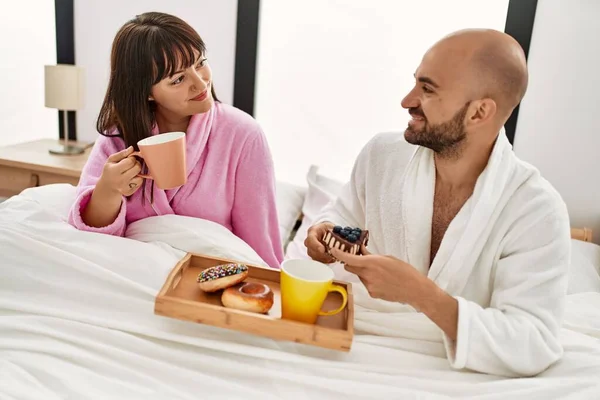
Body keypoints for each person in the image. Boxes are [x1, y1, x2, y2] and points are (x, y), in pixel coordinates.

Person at [305, 29, 571, 377]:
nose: (407, 100)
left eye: (427, 89)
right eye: (415, 83)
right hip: (352, 343)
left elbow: (532, 342)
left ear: (479, 113)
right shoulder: (381, 155)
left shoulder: (535, 210)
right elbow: (342, 214)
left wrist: (422, 295)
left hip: (453, 372)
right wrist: (320, 233)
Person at [68, 12, 284, 269]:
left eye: (200, 62)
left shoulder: (243, 134)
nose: (200, 81)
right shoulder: (118, 139)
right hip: (132, 276)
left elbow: (259, 243)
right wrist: (108, 189)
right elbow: (89, 238)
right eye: (178, 79)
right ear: (146, 92)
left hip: (208, 282)